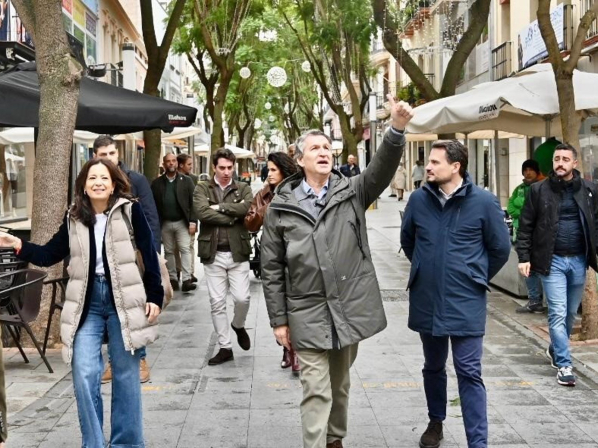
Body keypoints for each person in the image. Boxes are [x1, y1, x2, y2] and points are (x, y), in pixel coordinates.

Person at [261, 95, 412, 448]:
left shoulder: (352, 191)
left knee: (339, 384)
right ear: (300, 160)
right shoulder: (281, 207)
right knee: (315, 388)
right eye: (315, 148)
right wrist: (279, 320)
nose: (323, 152)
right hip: (306, 309)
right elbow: (271, 268)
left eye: (327, 147)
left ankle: (334, 438)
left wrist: (396, 129)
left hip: (348, 306)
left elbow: (381, 169)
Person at [0, 158, 163, 448]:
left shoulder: (129, 210)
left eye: (104, 178)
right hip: (87, 303)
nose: (98, 183)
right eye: (92, 178)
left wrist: (155, 296)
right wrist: (18, 245)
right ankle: (94, 443)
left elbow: (149, 253)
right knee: (84, 372)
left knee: (126, 375)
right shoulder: (74, 216)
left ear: (113, 184)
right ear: (84, 186)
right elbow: (49, 254)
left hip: (124, 300)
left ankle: (127, 443)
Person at [400, 140, 510, 448]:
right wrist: (426, 268)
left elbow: (500, 248)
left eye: (435, 162)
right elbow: (408, 241)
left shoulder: (484, 202)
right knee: (433, 366)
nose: (428, 167)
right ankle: (435, 422)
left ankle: (478, 442)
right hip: (427, 298)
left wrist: (474, 276)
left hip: (466, 300)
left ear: (456, 166)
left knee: (469, 371)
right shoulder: (418, 199)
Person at [517, 143, 598, 387]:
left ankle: (555, 348)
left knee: (570, 313)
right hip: (551, 261)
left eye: (565, 159)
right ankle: (564, 364)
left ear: (575, 163)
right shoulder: (538, 190)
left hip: (579, 260)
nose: (560, 163)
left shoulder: (589, 189)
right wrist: (524, 257)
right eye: (556, 159)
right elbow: (526, 226)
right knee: (558, 312)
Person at [93, 135, 162, 384]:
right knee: (112, 309)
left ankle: (140, 358)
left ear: (117, 154)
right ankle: (114, 360)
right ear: (95, 156)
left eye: (112, 153)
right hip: (102, 257)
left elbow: (151, 217)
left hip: (133, 256)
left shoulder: (136, 180)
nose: (109, 158)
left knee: (134, 307)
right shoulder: (92, 181)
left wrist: (153, 255)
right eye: (103, 155)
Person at [194, 148, 254, 365]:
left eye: (230, 167)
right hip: (213, 253)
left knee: (242, 298)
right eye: (222, 168)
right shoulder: (202, 187)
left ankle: (238, 325)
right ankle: (225, 347)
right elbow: (202, 213)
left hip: (238, 252)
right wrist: (231, 217)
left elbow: (246, 208)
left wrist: (219, 207)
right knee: (217, 302)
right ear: (214, 167)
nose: (227, 172)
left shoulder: (243, 187)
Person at [244, 152, 299, 371]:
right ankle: (287, 348)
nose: (269, 174)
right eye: (268, 170)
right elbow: (250, 223)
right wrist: (269, 205)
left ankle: (296, 351)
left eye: (274, 170)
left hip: (296, 253)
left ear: (285, 171)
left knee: (295, 303)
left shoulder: (298, 190)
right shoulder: (264, 194)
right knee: (280, 303)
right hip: (273, 253)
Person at [151, 153, 198, 292]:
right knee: (169, 251)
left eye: (173, 161)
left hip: (182, 222)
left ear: (177, 163)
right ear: (164, 164)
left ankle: (187, 279)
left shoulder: (186, 181)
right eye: (168, 161)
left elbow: (193, 202)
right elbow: (153, 205)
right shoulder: (157, 183)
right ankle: (172, 279)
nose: (171, 163)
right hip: (165, 222)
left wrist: (193, 221)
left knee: (185, 249)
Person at [507, 159, 546, 314]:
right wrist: (525, 213)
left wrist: (524, 212)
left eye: (531, 169)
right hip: (521, 235)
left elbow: (539, 211)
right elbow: (511, 207)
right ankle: (534, 301)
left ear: (537, 171)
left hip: (538, 235)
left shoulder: (543, 187)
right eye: (525, 170)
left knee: (541, 268)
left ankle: (545, 301)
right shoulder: (519, 189)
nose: (528, 173)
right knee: (527, 269)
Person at [176, 153, 199, 284]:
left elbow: (195, 201)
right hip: (177, 219)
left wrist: (194, 221)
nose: (191, 166)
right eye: (189, 164)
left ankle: (190, 272)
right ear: (181, 165)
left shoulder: (193, 179)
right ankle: (178, 270)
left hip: (190, 219)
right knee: (176, 247)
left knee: (189, 246)